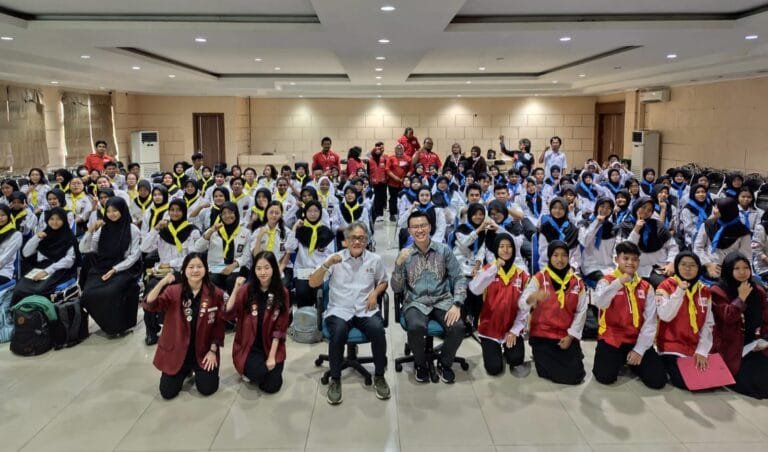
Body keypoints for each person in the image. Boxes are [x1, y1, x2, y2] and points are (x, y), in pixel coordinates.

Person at [310, 221, 390, 404]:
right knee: (338, 333)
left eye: (362, 238)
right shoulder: (335, 258)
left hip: (365, 309)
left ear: (367, 241)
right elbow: (313, 283)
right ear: (345, 241)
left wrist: (375, 293)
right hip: (340, 309)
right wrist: (326, 265)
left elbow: (384, 281)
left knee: (378, 331)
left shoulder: (374, 260)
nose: (357, 242)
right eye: (353, 238)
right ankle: (335, 379)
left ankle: (379, 376)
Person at [391, 210, 466, 384]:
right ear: (409, 231)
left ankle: (444, 363)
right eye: (415, 227)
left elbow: (459, 277)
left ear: (430, 227)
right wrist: (398, 265)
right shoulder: (405, 254)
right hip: (415, 302)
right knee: (416, 327)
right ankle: (420, 365)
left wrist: (457, 304)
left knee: (458, 327)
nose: (419, 230)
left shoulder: (443, 250)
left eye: (423, 225)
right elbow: (396, 287)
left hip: (442, 300)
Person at [144, 253, 225, 400]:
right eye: (191, 267)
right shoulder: (173, 291)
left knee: (208, 389)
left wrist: (213, 351)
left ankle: (196, 369)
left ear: (206, 270)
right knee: (167, 393)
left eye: (199, 267)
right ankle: (185, 370)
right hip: (177, 351)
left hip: (202, 351)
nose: (195, 270)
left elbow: (219, 326)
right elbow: (150, 304)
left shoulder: (215, 294)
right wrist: (163, 282)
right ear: (184, 270)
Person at [592, 241, 667, 389]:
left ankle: (632, 360)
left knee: (658, 381)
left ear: (638, 262)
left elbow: (650, 321)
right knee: (604, 377)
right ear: (617, 260)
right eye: (625, 258)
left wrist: (639, 349)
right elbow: (600, 303)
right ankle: (621, 359)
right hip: (612, 338)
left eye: (634, 259)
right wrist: (618, 283)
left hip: (637, 338)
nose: (630, 263)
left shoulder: (646, 287)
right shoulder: (606, 281)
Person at [519, 240, 587, 385]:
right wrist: (533, 298)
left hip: (565, 333)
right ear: (549, 257)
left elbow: (581, 312)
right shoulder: (540, 278)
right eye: (555, 255)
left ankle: (572, 351)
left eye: (564, 255)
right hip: (542, 333)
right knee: (548, 372)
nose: (560, 259)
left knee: (577, 375)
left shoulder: (577, 282)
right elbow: (522, 302)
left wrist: (570, 336)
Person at [226, 252, 290, 394]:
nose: (263, 272)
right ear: (254, 270)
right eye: (259, 268)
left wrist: (272, 357)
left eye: (267, 267)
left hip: (270, 345)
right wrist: (236, 288)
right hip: (249, 346)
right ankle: (250, 370)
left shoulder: (282, 292)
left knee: (272, 387)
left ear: (274, 268)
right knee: (259, 373)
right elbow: (228, 313)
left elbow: (280, 329)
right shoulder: (246, 290)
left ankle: (259, 371)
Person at [140, 199, 202, 345]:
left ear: (184, 212)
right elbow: (144, 248)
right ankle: (151, 330)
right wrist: (155, 229)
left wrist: (171, 264)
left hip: (182, 271)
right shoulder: (163, 230)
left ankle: (179, 328)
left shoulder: (192, 230)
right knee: (150, 290)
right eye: (172, 210)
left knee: (174, 290)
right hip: (162, 272)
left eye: (178, 210)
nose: (175, 213)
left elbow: (192, 256)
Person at [79, 197, 142, 337]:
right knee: (88, 295)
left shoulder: (132, 229)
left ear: (123, 211)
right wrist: (90, 231)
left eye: (115, 211)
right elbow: (85, 249)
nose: (111, 214)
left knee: (110, 292)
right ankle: (107, 324)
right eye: (108, 211)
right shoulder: (103, 228)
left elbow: (133, 256)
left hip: (125, 268)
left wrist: (115, 269)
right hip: (103, 265)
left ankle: (118, 327)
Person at [468, 234, 530, 375]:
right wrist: (494, 268)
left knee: (516, 360)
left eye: (509, 247)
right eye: (501, 247)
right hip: (489, 329)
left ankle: (508, 348)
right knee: (494, 369)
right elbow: (474, 288)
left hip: (511, 328)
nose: (506, 250)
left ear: (514, 250)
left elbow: (524, 308)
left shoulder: (522, 275)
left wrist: (515, 330)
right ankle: (492, 348)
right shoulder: (488, 270)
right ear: (496, 250)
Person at [710, 252, 768, 399]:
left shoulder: (758, 290)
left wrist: (765, 339)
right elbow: (727, 318)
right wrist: (741, 298)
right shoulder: (718, 291)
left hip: (755, 343)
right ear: (729, 270)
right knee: (756, 384)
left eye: (745, 268)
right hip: (731, 346)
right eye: (737, 268)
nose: (742, 272)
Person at [655, 251, 716, 390]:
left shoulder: (705, 291)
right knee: (684, 382)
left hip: (694, 346)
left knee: (712, 382)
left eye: (692, 265)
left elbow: (708, 323)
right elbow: (665, 315)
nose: (688, 269)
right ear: (676, 266)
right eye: (683, 265)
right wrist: (679, 292)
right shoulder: (665, 286)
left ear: (698, 268)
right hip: (671, 345)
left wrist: (702, 350)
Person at [12, 207, 78, 304]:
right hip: (40, 267)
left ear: (64, 220)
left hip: (59, 270)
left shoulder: (69, 237)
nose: (55, 222)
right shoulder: (44, 234)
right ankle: (20, 316)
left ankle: (42, 317)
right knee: (19, 289)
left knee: (39, 291)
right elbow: (26, 253)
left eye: (58, 219)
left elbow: (69, 260)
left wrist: (47, 271)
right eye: (52, 219)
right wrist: (36, 238)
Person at [194, 202, 252, 295]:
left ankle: (232, 306)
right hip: (216, 267)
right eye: (223, 213)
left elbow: (246, 256)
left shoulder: (245, 232)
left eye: (230, 212)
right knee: (211, 280)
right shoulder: (214, 230)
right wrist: (211, 231)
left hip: (237, 267)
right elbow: (197, 248)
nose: (227, 216)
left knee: (231, 281)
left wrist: (233, 266)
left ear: (236, 213)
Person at [620, 197, 678, 288]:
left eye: (649, 210)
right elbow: (626, 250)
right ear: (636, 207)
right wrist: (636, 229)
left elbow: (673, 246)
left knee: (668, 287)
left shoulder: (658, 225)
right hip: (634, 269)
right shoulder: (626, 225)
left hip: (656, 268)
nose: (646, 211)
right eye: (643, 207)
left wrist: (671, 263)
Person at [694, 197, 751, 282]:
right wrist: (708, 264)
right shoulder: (708, 225)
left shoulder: (743, 232)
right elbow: (698, 248)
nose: (714, 210)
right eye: (715, 207)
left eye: (717, 208)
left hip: (732, 271)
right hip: (707, 266)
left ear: (727, 211)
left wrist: (731, 270)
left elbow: (745, 256)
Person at [293, 201, 336, 307]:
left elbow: (331, 255)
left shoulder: (326, 232)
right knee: (302, 292)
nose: (313, 214)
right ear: (305, 213)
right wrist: (294, 227)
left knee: (321, 292)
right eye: (309, 211)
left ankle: (321, 319)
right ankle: (306, 320)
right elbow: (289, 247)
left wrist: (320, 269)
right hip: (303, 271)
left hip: (321, 270)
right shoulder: (300, 231)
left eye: (316, 211)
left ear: (320, 213)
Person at [251, 201, 298, 285]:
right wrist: (259, 237)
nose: (274, 215)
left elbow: (287, 257)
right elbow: (256, 255)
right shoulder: (258, 231)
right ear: (266, 213)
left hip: (282, 267)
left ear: (281, 214)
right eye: (271, 212)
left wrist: (278, 271)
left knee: (280, 285)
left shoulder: (287, 232)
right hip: (262, 266)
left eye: (277, 213)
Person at [0, 205, 23, 285]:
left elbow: (4, 258)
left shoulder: (15, 234)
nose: (0, 218)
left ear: (8, 216)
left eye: (3, 215)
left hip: (4, 272)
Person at [367, 142, 388, 222]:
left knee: (381, 199)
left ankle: (381, 214)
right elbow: (368, 172)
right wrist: (369, 182)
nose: (378, 152)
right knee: (375, 199)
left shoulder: (384, 159)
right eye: (376, 151)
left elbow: (386, 171)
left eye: (379, 151)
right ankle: (376, 214)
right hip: (374, 183)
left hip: (382, 183)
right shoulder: (370, 161)